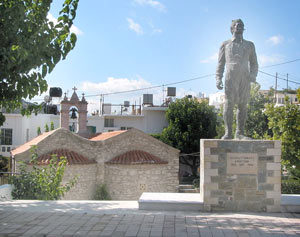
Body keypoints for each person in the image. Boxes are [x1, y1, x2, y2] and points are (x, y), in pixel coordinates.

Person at [216, 19, 258, 139]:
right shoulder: (225, 44)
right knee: (229, 104)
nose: (239, 27)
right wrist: (218, 78)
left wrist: (253, 75)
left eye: (242, 25)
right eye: (237, 25)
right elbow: (220, 63)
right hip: (231, 76)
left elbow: (254, 63)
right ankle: (228, 133)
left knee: (243, 105)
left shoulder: (250, 45)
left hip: (245, 77)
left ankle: (239, 133)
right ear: (232, 28)